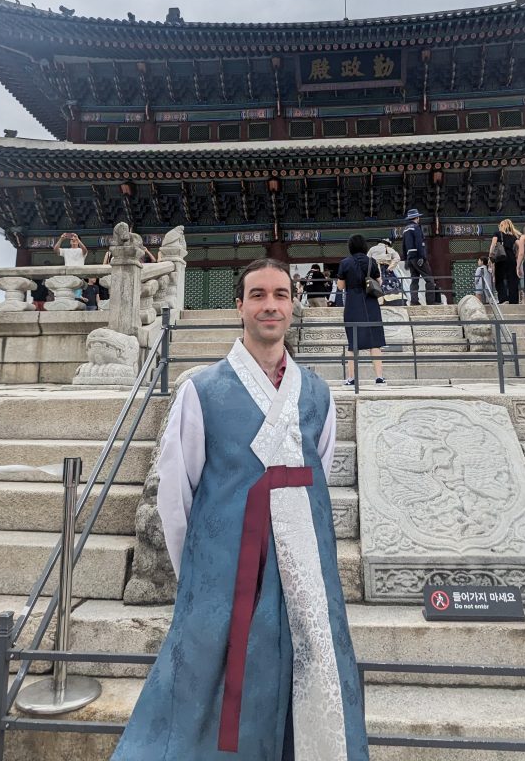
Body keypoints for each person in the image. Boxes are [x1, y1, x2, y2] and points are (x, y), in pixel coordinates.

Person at [110, 259, 369, 760]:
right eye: (257, 295)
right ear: (239, 306)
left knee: (311, 668)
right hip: (224, 569)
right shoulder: (201, 390)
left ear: (293, 304)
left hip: (306, 570)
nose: (269, 305)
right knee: (206, 679)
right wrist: (206, 570)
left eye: (279, 294)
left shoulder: (317, 393)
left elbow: (319, 467)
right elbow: (174, 495)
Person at [337, 234, 386, 385]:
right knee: (375, 342)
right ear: (364, 246)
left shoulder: (345, 263)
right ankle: (379, 377)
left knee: (353, 342)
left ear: (350, 247)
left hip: (353, 303)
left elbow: (340, 286)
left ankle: (352, 378)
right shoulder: (372, 261)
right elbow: (379, 281)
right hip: (370, 303)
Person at [402, 209, 439, 305]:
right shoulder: (416, 227)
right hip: (418, 257)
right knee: (429, 279)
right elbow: (419, 243)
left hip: (410, 257)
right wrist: (422, 257)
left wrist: (406, 260)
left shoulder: (405, 229)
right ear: (417, 217)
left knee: (414, 280)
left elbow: (404, 246)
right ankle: (430, 301)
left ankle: (414, 301)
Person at [489, 220, 521, 304]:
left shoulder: (497, 233)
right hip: (511, 257)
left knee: (499, 279)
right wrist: (517, 254)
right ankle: (513, 300)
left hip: (501, 257)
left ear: (501, 225)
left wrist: (491, 256)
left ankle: (503, 299)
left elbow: (493, 244)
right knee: (512, 279)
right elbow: (520, 245)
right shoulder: (513, 236)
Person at [368, 238, 403, 303]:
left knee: (374, 284)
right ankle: (391, 300)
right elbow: (397, 258)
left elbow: (367, 259)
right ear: (387, 244)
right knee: (389, 284)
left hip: (374, 270)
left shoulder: (372, 249)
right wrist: (390, 267)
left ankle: (377, 301)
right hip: (386, 269)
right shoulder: (389, 249)